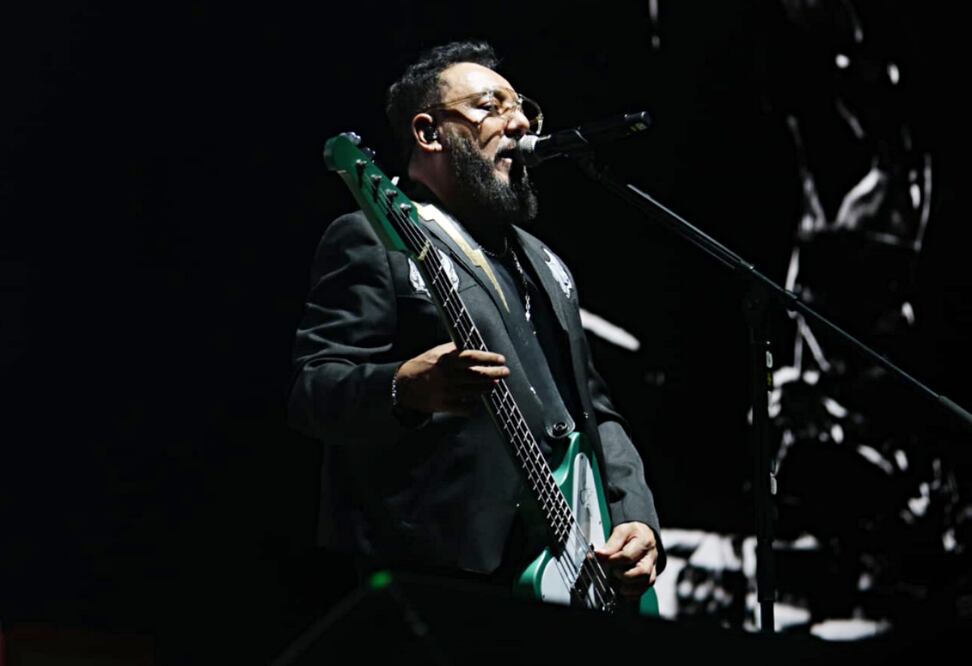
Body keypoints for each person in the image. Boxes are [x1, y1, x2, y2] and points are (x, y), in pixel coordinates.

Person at [288, 41, 664, 602]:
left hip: (570, 570)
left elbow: (595, 410)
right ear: (429, 132)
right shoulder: (370, 237)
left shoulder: (546, 263)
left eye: (524, 110)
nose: (517, 124)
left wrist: (634, 514)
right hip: (441, 576)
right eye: (491, 106)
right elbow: (313, 391)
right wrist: (401, 388)